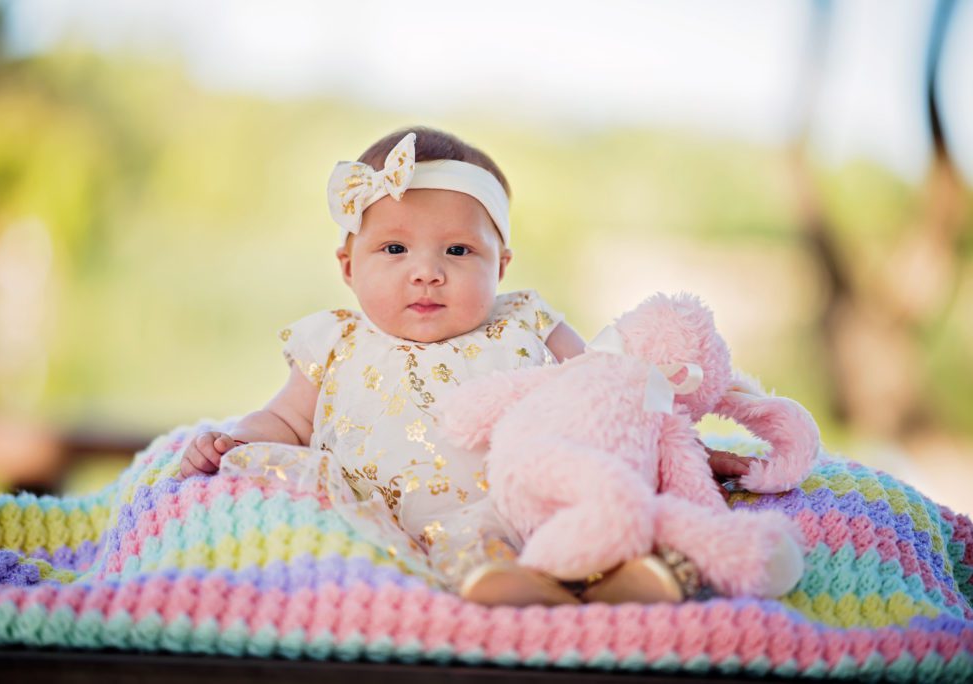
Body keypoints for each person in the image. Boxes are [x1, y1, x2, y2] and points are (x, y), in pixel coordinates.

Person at [178, 126, 757, 607]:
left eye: (458, 251)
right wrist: (233, 440)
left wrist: (682, 451)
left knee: (591, 504)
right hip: (376, 524)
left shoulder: (526, 321)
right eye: (394, 249)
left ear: (500, 266)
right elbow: (284, 422)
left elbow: (610, 393)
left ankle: (619, 574)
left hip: (518, 500)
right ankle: (514, 583)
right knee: (264, 464)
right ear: (349, 266)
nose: (427, 271)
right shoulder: (334, 340)